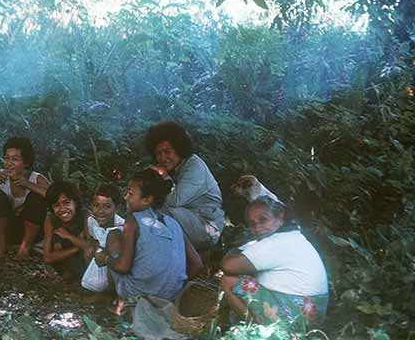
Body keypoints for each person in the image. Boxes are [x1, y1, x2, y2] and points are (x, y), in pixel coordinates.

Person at [97, 169, 202, 313]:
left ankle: (120, 301)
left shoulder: (133, 221)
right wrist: (171, 284)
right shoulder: (173, 223)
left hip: (139, 294)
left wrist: (105, 258)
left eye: (130, 193)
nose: (125, 197)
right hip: (170, 297)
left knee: (114, 235)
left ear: (147, 199)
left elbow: (122, 267)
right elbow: (197, 264)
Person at [220, 196, 329, 326]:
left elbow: (228, 266)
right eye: (252, 224)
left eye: (263, 220)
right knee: (245, 275)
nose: (258, 228)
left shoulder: (276, 243)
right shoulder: (292, 237)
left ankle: (260, 332)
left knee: (228, 281)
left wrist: (235, 249)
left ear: (280, 219)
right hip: (312, 311)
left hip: (295, 312)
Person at [144, 121, 225, 251]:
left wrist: (164, 177)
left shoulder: (194, 166)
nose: (163, 158)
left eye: (167, 151)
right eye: (159, 154)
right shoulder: (174, 167)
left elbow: (175, 201)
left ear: (179, 149)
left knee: (158, 209)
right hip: (187, 221)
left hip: (207, 227)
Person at [0, 137, 51, 259]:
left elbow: (54, 199)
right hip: (7, 230)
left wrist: (27, 184)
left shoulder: (37, 179)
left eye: (15, 159)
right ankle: (1, 246)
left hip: (33, 233)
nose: (9, 163)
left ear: (26, 162)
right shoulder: (1, 177)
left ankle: (24, 248)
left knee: (37, 198)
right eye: (7, 158)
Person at [80, 184, 126, 294]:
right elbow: (91, 240)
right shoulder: (91, 221)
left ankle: (112, 293)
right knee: (89, 250)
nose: (100, 211)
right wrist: (97, 250)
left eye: (107, 206)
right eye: (96, 205)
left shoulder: (121, 227)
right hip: (100, 256)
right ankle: (95, 288)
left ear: (117, 208)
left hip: (116, 262)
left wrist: (104, 254)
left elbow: (122, 256)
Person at [41, 181, 89, 281]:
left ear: (75, 203)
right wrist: (77, 248)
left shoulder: (85, 217)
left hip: (86, 262)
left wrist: (68, 236)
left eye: (66, 202)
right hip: (64, 261)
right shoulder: (51, 220)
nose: (62, 209)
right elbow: (47, 258)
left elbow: (91, 247)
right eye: (56, 205)